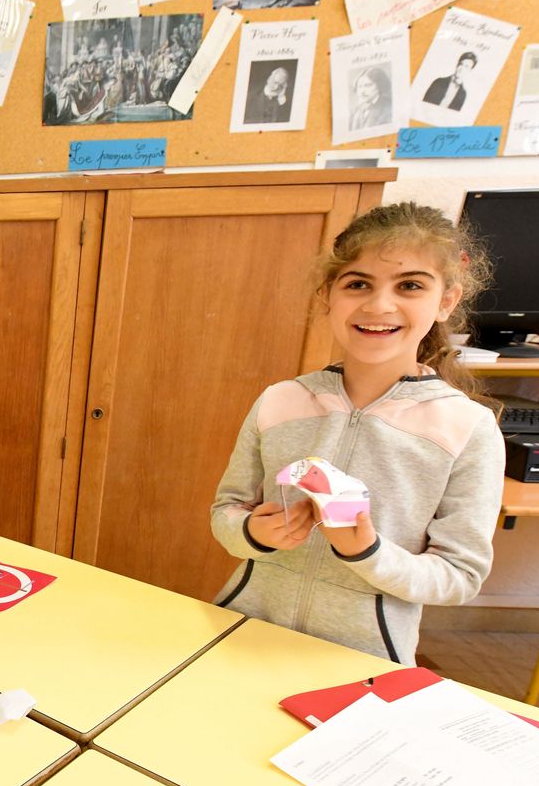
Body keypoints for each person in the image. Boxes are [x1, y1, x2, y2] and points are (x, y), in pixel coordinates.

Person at [208, 204, 503, 664]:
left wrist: (368, 552)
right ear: (329, 294)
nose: (379, 305)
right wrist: (253, 532)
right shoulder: (281, 400)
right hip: (242, 632)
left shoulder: (467, 428)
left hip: (363, 658)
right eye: (358, 283)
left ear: (446, 300)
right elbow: (225, 512)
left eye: (409, 285)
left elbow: (460, 575)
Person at [348, 66, 393, 131]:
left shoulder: (389, 107)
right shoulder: (355, 111)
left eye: (368, 85)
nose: (362, 91)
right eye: (359, 86)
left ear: (379, 86)